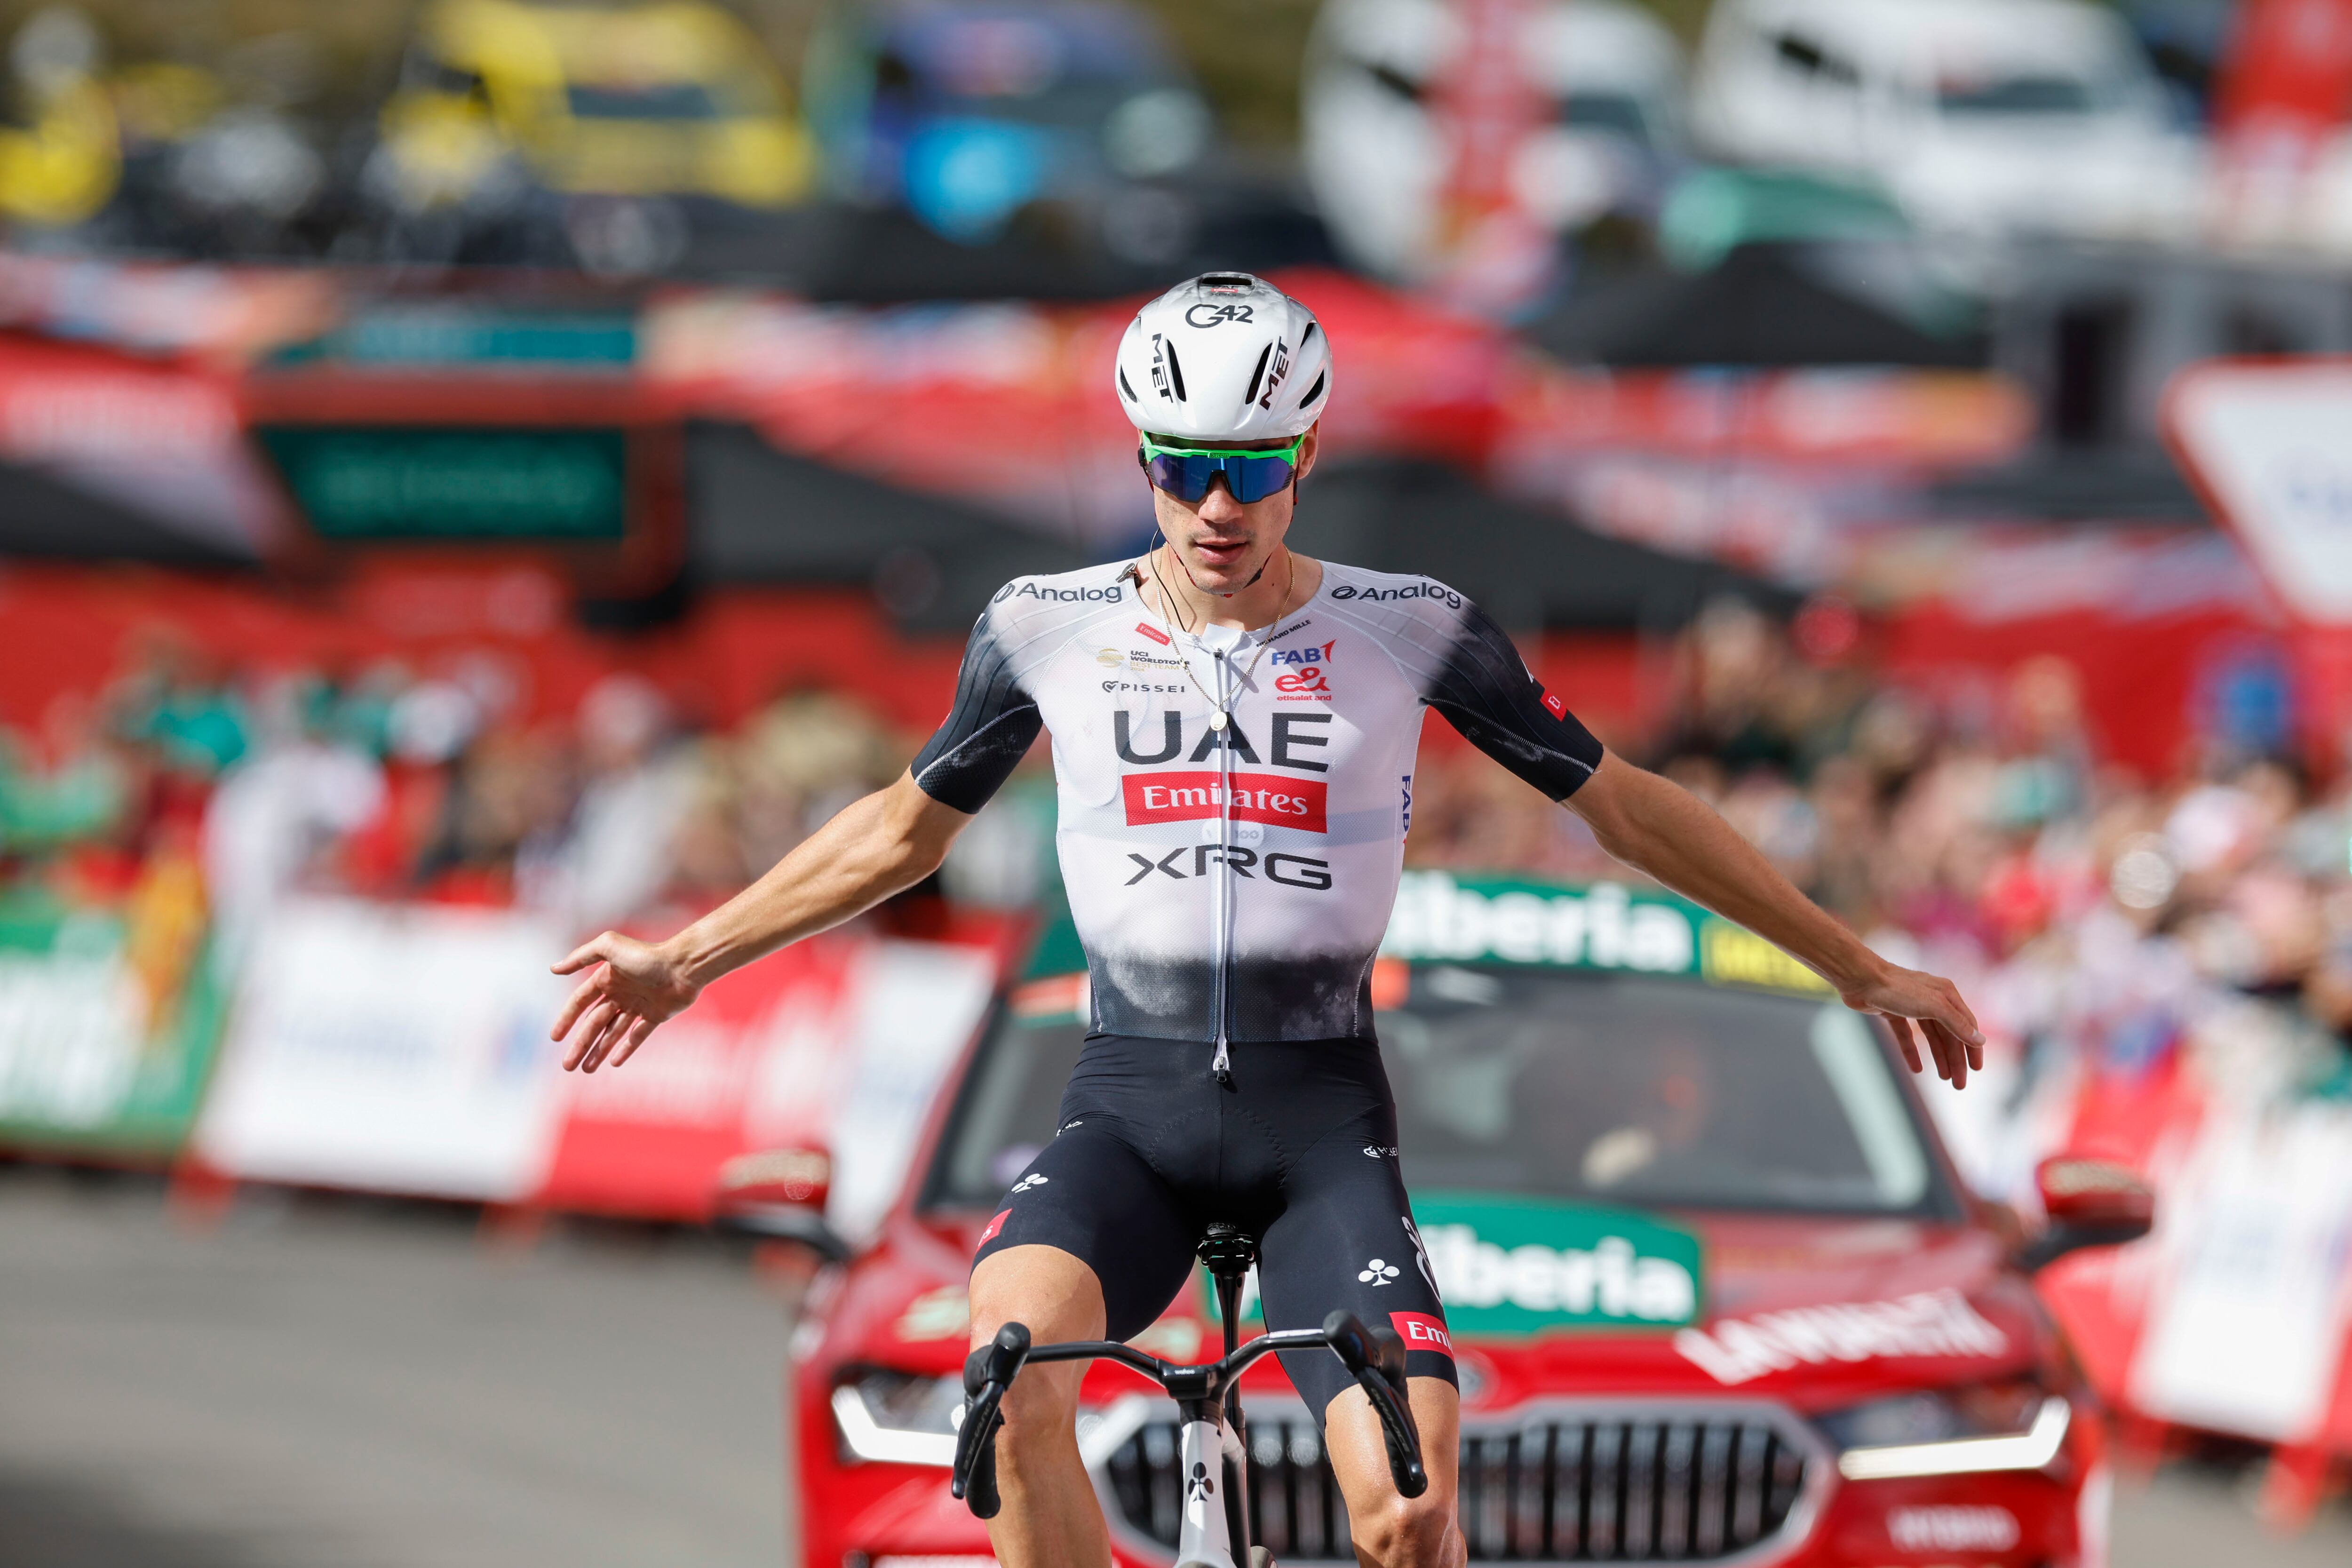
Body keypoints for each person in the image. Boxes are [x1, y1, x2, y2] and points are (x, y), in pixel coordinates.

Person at [546, 272, 1984, 1568]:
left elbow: (1631, 806)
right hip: (1127, 1119)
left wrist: (1857, 968)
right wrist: (683, 957)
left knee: (1409, 1512)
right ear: (1143, 459)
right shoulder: (1046, 622)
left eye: (1252, 467)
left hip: (1318, 1136)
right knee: (1003, 1367)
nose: (1218, 506)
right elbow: (900, 829)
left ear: (1304, 457)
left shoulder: (1412, 623)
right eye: (1185, 470)